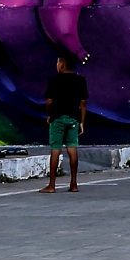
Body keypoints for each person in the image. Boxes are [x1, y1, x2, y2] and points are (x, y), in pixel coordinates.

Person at [41, 53, 88, 193]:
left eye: (58, 62)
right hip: (73, 118)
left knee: (55, 150)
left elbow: (49, 101)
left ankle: (51, 185)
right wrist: (81, 121)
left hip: (57, 118)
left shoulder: (54, 80)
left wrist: (49, 114)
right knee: (72, 149)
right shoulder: (80, 80)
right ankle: (73, 184)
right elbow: (83, 102)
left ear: (62, 65)